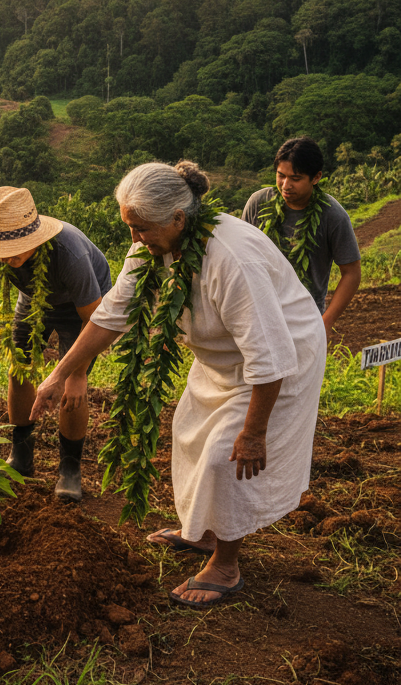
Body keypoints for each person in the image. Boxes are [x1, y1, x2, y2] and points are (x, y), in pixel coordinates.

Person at [31, 161, 325, 609]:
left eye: (141, 227)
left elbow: (268, 356)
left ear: (179, 219)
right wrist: (59, 374)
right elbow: (111, 317)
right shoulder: (149, 250)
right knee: (190, 435)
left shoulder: (232, 259)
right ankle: (206, 532)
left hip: (280, 361)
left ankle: (226, 565)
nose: (134, 238)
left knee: (226, 454)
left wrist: (255, 432)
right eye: (130, 226)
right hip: (220, 358)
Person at [0, 186, 112, 501]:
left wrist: (76, 375)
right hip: (34, 298)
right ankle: (21, 456)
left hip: (85, 307)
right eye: (3, 251)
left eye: (17, 249)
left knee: (69, 389)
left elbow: (94, 319)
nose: (9, 258)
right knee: (18, 370)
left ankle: (70, 469)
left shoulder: (70, 253)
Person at [242, 136, 361, 339]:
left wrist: (326, 321)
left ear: (316, 177)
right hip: (256, 315)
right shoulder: (258, 203)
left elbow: (352, 273)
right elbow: (241, 255)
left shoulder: (333, 216)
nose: (286, 185)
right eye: (281, 176)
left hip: (304, 322)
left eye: (295, 179)